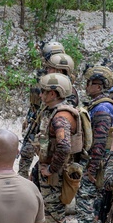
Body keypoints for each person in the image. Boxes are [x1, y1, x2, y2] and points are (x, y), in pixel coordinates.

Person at [31, 72, 82, 223]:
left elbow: (63, 146)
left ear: (53, 93)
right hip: (54, 173)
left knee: (55, 220)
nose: (41, 95)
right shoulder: (59, 111)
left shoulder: (60, 117)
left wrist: (51, 169)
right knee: (51, 216)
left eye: (44, 91)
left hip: (55, 177)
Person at [70, 65, 113, 223]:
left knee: (85, 194)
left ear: (99, 86)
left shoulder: (102, 107)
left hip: (96, 160)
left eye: (90, 83)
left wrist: (91, 168)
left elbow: (99, 140)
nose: (87, 86)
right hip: (96, 159)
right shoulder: (99, 104)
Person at [18, 50, 77, 179]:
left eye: (51, 68)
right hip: (46, 147)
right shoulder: (52, 88)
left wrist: (51, 169)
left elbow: (64, 146)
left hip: (55, 163)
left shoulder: (62, 108)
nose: (47, 70)